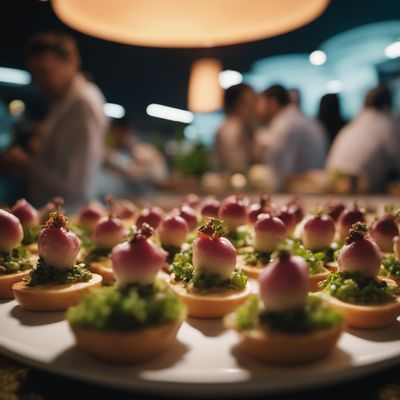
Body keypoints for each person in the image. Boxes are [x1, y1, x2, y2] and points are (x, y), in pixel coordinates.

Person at [2, 32, 107, 211]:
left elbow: (76, 186)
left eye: (45, 72)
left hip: (69, 214)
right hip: (55, 211)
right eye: (36, 75)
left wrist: (28, 165)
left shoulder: (82, 103)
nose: (40, 82)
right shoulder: (63, 101)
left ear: (72, 62)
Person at [326, 85, 400, 192]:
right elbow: (396, 162)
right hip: (364, 190)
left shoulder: (354, 124)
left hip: (334, 186)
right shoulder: (388, 124)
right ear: (388, 104)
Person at [258, 85, 327, 189]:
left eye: (260, 102)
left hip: (304, 189)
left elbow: (279, 175)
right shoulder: (297, 118)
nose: (258, 107)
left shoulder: (284, 123)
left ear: (272, 102)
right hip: (312, 183)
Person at [214, 83, 256, 173]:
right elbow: (236, 166)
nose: (253, 108)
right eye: (249, 103)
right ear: (236, 105)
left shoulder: (243, 128)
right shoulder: (229, 131)